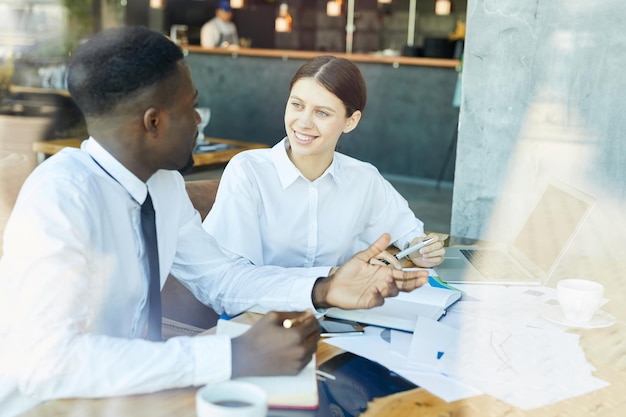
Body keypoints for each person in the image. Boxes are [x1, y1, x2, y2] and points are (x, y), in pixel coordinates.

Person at [0, 28, 428, 416]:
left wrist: (325, 287)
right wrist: (232, 356)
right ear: (154, 121)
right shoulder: (61, 197)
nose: (199, 122)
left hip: (134, 397)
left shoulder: (162, 186)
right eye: (191, 107)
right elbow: (47, 365)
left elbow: (223, 280)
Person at [203, 55, 446, 270]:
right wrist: (334, 277)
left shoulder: (363, 178)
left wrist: (418, 248)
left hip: (340, 314)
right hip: (260, 316)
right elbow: (229, 272)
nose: (304, 122)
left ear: (350, 121)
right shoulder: (248, 170)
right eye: (297, 105)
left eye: (322, 113)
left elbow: (406, 230)